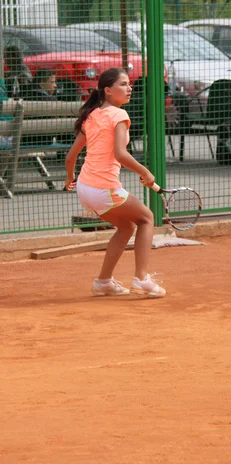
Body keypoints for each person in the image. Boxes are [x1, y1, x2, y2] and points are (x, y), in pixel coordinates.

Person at [64, 67, 165, 298]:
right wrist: (145, 171)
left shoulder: (91, 115)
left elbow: (71, 157)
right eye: (123, 84)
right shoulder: (120, 115)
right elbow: (120, 154)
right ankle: (141, 278)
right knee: (147, 218)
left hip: (85, 188)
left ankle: (103, 282)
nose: (129, 88)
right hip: (103, 188)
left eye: (129, 84)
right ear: (108, 91)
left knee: (127, 226)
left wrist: (70, 178)